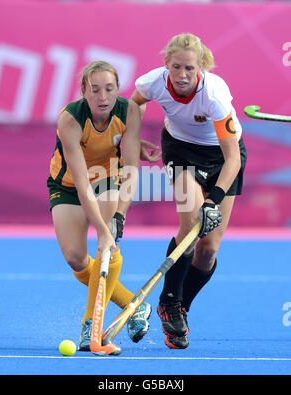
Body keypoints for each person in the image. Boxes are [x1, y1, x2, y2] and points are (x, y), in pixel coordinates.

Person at [132, 33, 247, 349]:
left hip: (223, 157)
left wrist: (215, 199)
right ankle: (168, 301)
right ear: (166, 63)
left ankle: (181, 305)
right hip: (181, 152)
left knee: (208, 249)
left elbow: (233, 158)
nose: (182, 75)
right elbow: (134, 104)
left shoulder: (214, 97)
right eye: (176, 67)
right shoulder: (154, 82)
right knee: (191, 226)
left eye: (190, 69)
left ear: (202, 67)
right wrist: (135, 139)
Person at [47, 60, 159, 351]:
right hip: (70, 184)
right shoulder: (70, 119)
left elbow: (131, 166)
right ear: (83, 90)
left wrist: (118, 216)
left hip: (108, 177)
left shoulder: (129, 110)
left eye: (109, 89)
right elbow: (83, 182)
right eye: (95, 90)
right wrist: (101, 228)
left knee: (108, 247)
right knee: (76, 259)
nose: (103, 97)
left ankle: (89, 327)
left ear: (117, 89)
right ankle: (134, 306)